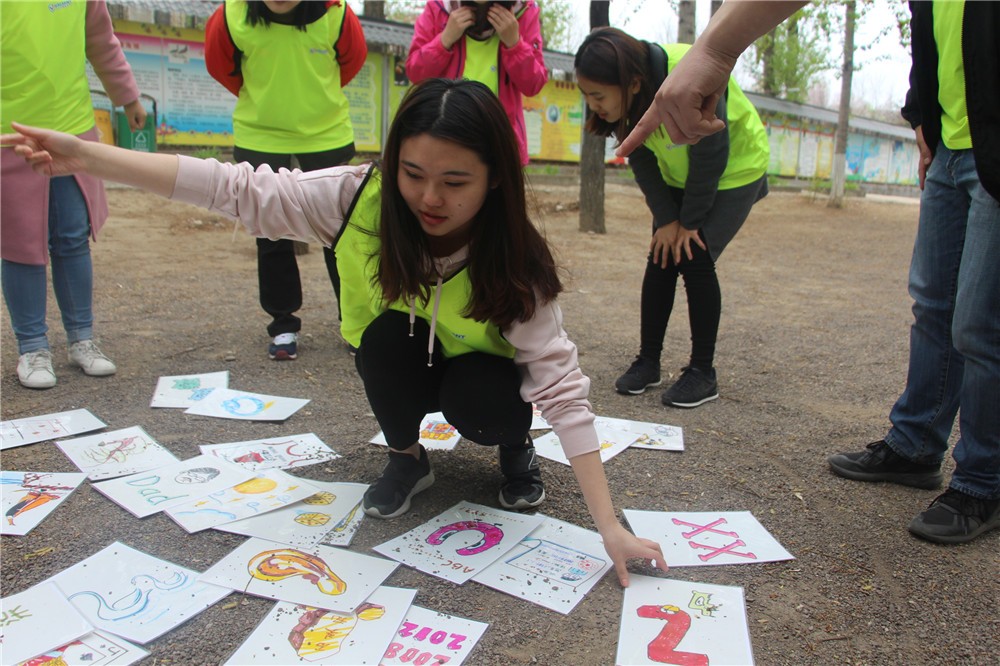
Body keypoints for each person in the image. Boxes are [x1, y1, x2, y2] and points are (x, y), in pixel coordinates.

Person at [3, 79, 667, 585]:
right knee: (383, 341)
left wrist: (609, 525)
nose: (429, 198)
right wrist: (89, 157)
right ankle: (408, 459)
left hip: (486, 381)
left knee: (486, 401)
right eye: (413, 174)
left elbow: (562, 388)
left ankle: (513, 450)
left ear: (496, 180)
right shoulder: (358, 197)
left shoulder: (516, 261)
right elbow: (236, 189)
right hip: (406, 354)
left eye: (455, 181)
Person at [828, 1, 1000, 544]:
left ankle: (982, 482)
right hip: (948, 144)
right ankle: (915, 446)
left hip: (991, 145)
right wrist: (920, 114)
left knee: (980, 322)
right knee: (933, 305)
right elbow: (934, 41)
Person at [575, 28, 769, 409]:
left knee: (694, 256)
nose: (593, 105)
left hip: (735, 171)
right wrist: (666, 219)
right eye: (587, 96)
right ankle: (649, 361)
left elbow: (711, 153)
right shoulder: (628, 98)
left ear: (631, 82)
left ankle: (702, 373)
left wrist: (690, 222)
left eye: (598, 95)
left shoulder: (688, 72)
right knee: (662, 254)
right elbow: (641, 156)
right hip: (680, 175)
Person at [205, 0, 367, 360]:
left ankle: (355, 324)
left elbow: (351, 62)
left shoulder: (337, 14)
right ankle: (283, 326)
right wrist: (266, 102)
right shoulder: (230, 15)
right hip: (260, 136)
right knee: (271, 234)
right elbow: (221, 67)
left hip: (325, 135)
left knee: (342, 235)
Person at [1, 0, 146, 389]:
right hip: (8, 135)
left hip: (72, 129)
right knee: (20, 242)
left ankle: (82, 339)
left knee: (72, 236)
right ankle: (32, 347)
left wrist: (127, 95)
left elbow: (100, 40)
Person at [615, 0, 807, 154]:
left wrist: (715, 50)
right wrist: (716, 49)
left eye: (598, 96)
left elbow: (711, 157)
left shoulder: (676, 67)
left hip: (742, 164)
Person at [406, 0, 547, 165]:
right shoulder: (439, 8)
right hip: (445, 138)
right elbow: (415, 73)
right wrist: (444, 39)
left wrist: (515, 44)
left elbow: (534, 84)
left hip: (498, 146)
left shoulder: (524, 11)